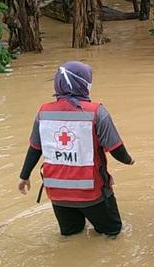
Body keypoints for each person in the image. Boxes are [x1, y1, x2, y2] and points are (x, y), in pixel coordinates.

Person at [17, 61, 135, 237]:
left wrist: (24, 176)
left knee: (72, 236)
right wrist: (129, 160)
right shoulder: (97, 113)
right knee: (113, 232)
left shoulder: (44, 113)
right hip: (91, 192)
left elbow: (35, 148)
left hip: (57, 193)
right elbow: (116, 149)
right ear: (83, 83)